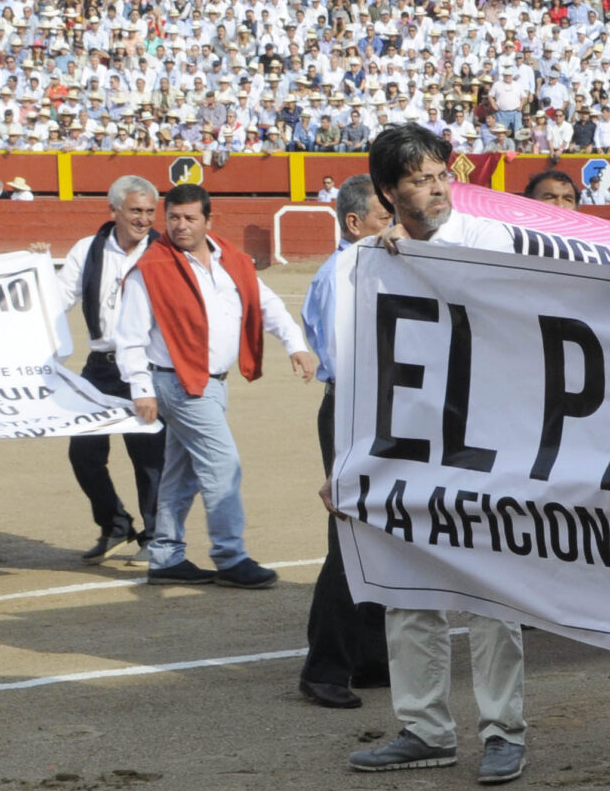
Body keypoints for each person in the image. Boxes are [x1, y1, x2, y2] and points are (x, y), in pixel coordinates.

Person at [335, 125, 532, 784]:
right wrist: (344, 464)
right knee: (406, 585)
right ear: (389, 192)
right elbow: (356, 367)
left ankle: (503, 729)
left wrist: (405, 263)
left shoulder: (484, 237)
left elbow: (507, 311)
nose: (438, 188)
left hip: (483, 436)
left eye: (442, 174)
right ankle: (425, 727)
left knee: (487, 586)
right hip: (405, 441)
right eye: (420, 179)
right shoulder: (361, 262)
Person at [113, 184, 314, 588]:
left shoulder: (229, 260)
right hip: (179, 383)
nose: (180, 225)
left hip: (210, 382)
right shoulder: (151, 268)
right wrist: (141, 389)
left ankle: (166, 555)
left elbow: (266, 302)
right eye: (173, 218)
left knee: (181, 473)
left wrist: (295, 344)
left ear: (208, 219)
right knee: (222, 466)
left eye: (189, 218)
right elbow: (130, 336)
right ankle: (230, 555)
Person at [296, 174, 392, 710]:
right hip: (355, 408)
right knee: (351, 536)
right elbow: (346, 356)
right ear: (354, 224)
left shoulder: (371, 265)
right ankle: (325, 667)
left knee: (380, 530)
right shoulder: (344, 274)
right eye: (384, 218)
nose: (393, 225)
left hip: (378, 407)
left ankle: (367, 658)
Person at [46, 177, 165, 561]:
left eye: (150, 211)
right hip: (99, 366)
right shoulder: (89, 249)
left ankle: (155, 537)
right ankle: (114, 522)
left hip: (146, 367)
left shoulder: (165, 252)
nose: (144, 220)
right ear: (114, 211)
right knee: (83, 452)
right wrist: (32, 275)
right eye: (136, 211)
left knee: (148, 457)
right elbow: (59, 298)